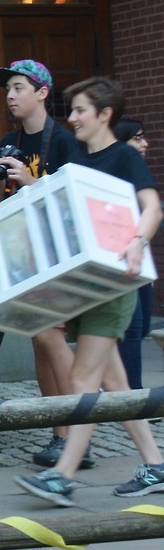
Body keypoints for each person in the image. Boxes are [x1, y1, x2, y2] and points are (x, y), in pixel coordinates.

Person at [16, 78, 164, 507]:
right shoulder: (78, 160)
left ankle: (63, 476)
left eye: (81, 110)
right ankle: (155, 463)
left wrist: (137, 241)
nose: (73, 117)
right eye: (73, 109)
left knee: (83, 378)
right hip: (86, 285)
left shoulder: (123, 156)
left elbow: (152, 205)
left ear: (105, 115)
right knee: (115, 383)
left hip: (114, 283)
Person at [0, 59, 84, 469]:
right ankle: (61, 431)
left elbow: (75, 196)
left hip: (58, 251)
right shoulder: (10, 140)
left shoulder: (63, 141)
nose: (10, 95)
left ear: (42, 92)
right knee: (39, 343)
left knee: (49, 339)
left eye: (19, 87)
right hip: (25, 252)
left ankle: (78, 434)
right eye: (8, 89)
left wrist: (31, 180)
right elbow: (5, 202)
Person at [114, 118, 154, 389]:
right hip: (119, 259)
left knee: (142, 326)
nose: (144, 144)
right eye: (137, 138)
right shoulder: (116, 173)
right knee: (132, 327)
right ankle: (133, 395)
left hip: (141, 258)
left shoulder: (138, 173)